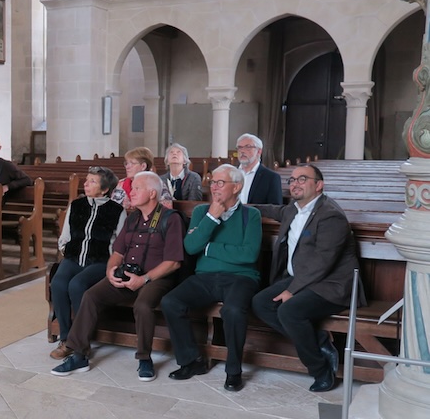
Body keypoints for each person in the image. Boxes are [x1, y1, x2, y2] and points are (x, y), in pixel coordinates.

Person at [52, 172, 184, 378]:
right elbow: (118, 252)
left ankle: (144, 359)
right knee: (91, 295)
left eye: (137, 188)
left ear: (151, 193)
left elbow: (173, 262)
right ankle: (79, 355)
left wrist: (144, 279)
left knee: (142, 305)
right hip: (128, 273)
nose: (131, 191)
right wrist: (110, 271)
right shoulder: (133, 219)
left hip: (155, 278)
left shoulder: (170, 219)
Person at [251, 164, 363, 392]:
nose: (295, 183)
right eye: (292, 180)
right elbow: (272, 209)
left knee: (289, 310)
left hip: (332, 285)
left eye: (302, 179)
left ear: (319, 185)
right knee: (260, 303)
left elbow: (323, 262)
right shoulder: (293, 209)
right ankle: (321, 342)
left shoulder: (331, 215)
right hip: (301, 279)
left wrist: (291, 290)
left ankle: (321, 371)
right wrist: (240, 206)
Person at [160, 164, 262, 392]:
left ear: (236, 187)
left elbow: (249, 254)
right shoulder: (201, 212)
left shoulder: (250, 215)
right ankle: (191, 360)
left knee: (233, 311)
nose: (213, 187)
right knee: (171, 302)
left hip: (241, 278)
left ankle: (233, 370)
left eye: (220, 183)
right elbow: (191, 246)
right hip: (205, 277)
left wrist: (209, 248)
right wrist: (212, 218)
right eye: (212, 182)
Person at [48, 166, 126, 360]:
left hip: (100, 261)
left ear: (105, 189)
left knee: (77, 285)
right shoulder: (76, 205)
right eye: (87, 179)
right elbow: (64, 236)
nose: (86, 183)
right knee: (58, 283)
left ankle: (81, 340)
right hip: (73, 257)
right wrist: (67, 252)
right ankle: (66, 338)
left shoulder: (117, 211)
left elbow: (120, 243)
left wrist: (110, 259)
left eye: (92, 181)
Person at [236, 133, 282, 204]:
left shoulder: (271, 177)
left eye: (248, 147)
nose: (242, 151)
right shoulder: (231, 173)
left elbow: (275, 208)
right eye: (240, 147)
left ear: (259, 151)